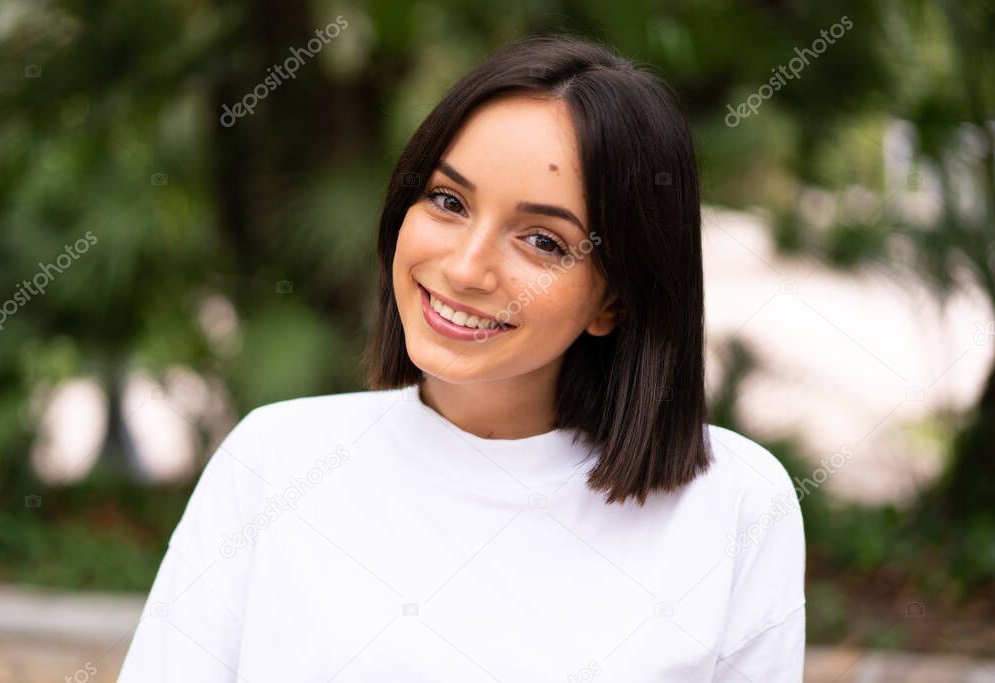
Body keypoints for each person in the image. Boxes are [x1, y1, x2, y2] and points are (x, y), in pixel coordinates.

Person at [118, 33, 806, 682]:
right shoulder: (274, 462)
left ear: (615, 302)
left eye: (542, 240)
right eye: (447, 200)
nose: (467, 267)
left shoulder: (735, 507)